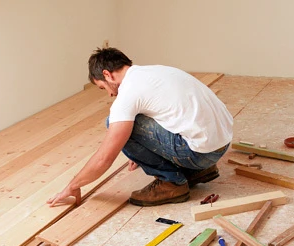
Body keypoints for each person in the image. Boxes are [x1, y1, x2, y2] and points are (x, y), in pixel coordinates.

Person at [47, 48, 233, 207]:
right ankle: (199, 171)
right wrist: (146, 149)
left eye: (103, 88)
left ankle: (172, 183)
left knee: (114, 122)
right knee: (131, 121)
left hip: (200, 154)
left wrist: (73, 185)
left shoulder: (128, 94)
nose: (110, 94)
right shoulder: (157, 71)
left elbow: (104, 157)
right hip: (221, 144)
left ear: (107, 74)